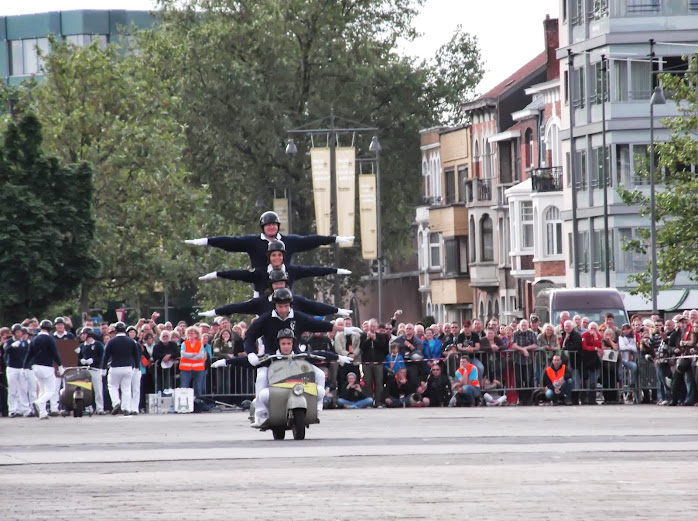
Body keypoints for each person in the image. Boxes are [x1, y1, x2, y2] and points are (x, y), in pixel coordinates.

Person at [237, 288, 350, 426]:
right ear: (274, 306)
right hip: (271, 359)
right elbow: (249, 336)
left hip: (295, 357)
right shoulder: (265, 319)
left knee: (319, 374)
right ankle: (260, 414)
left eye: (286, 306)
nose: (283, 309)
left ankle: (316, 408)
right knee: (261, 378)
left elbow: (318, 325)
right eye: (280, 306)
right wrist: (250, 353)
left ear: (290, 304)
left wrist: (344, 330)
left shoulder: (297, 317)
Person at [236, 328, 350, 422]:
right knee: (264, 395)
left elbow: (320, 354)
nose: (286, 346)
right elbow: (247, 361)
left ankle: (316, 409)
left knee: (319, 391)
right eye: (283, 343)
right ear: (279, 344)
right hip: (278, 389)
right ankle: (265, 413)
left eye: (289, 343)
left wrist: (338, 357)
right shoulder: (271, 357)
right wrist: (226, 361)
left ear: (293, 344)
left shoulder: (300, 355)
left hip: (298, 387)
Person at [184, 210, 353, 268]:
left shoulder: (289, 241)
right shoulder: (253, 241)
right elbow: (229, 242)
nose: (271, 227)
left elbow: (311, 240)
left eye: (274, 225)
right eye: (268, 225)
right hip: (261, 284)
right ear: (263, 227)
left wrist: (334, 239)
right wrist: (206, 241)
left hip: (284, 284)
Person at [199, 240, 351, 295]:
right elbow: (238, 274)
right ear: (268, 258)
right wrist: (218, 274)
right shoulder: (260, 272)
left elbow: (314, 270)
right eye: (273, 255)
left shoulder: (292, 270)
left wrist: (335, 270)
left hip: (286, 303)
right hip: (263, 303)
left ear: (284, 256)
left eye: (280, 255)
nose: (277, 258)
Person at [199, 269, 351, 318]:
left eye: (282, 283)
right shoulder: (261, 302)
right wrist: (214, 312)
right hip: (268, 348)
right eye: (276, 284)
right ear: (271, 286)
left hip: (290, 346)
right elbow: (237, 307)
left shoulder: (295, 300)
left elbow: (316, 307)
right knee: (262, 380)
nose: (279, 286)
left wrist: (338, 311)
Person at [23, 319, 64, 419]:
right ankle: (39, 402)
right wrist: (60, 365)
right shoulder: (50, 339)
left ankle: (42, 413)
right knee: (51, 390)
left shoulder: (34, 339)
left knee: (42, 390)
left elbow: (29, 353)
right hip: (47, 367)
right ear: (50, 329)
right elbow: (55, 353)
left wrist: (25, 366)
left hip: (35, 367)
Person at [102, 322, 140, 415]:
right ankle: (126, 408)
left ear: (116, 330)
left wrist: (103, 368)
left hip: (115, 367)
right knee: (126, 388)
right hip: (128, 367)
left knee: (112, 386)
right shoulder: (131, 341)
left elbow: (106, 356)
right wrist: (136, 367)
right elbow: (136, 355)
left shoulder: (111, 341)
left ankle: (116, 403)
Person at [359, 318, 389, 407]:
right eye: (370, 326)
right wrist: (368, 339)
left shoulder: (382, 336)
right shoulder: (363, 336)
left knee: (379, 383)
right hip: (367, 363)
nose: (372, 328)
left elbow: (384, 349)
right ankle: (369, 401)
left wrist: (375, 339)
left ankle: (378, 402)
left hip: (378, 363)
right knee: (367, 383)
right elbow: (362, 348)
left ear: (376, 327)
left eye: (374, 326)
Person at [4, 324, 32, 417]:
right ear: (13, 333)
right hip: (12, 368)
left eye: (20, 332)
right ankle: (12, 409)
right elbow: (6, 351)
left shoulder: (24, 343)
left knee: (23, 389)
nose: (19, 334)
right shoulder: (9, 341)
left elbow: (28, 354)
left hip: (21, 368)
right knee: (12, 390)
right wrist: (11, 346)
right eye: (17, 332)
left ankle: (25, 409)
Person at [77, 327, 105, 414]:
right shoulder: (81, 346)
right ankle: (88, 407)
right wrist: (81, 361)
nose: (82, 336)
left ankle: (100, 408)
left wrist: (94, 360)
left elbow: (102, 356)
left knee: (98, 389)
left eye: (84, 334)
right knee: (85, 390)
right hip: (85, 370)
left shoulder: (98, 345)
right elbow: (78, 357)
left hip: (95, 369)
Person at [179, 326, 208, 398]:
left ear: (196, 335)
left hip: (198, 369)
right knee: (184, 387)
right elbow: (183, 354)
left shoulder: (200, 344)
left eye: (192, 333)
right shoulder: (184, 344)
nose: (190, 334)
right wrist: (194, 354)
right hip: (186, 369)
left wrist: (190, 356)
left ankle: (198, 403)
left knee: (198, 388)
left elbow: (201, 355)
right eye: (189, 333)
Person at [581, 322, 604, 405]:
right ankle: (585, 398)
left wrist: (595, 338)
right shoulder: (584, 335)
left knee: (593, 380)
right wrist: (594, 348)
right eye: (591, 328)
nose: (593, 330)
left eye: (595, 329)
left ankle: (592, 399)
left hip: (595, 361)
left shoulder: (598, 336)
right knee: (586, 380)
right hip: (586, 360)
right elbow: (584, 347)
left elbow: (599, 346)